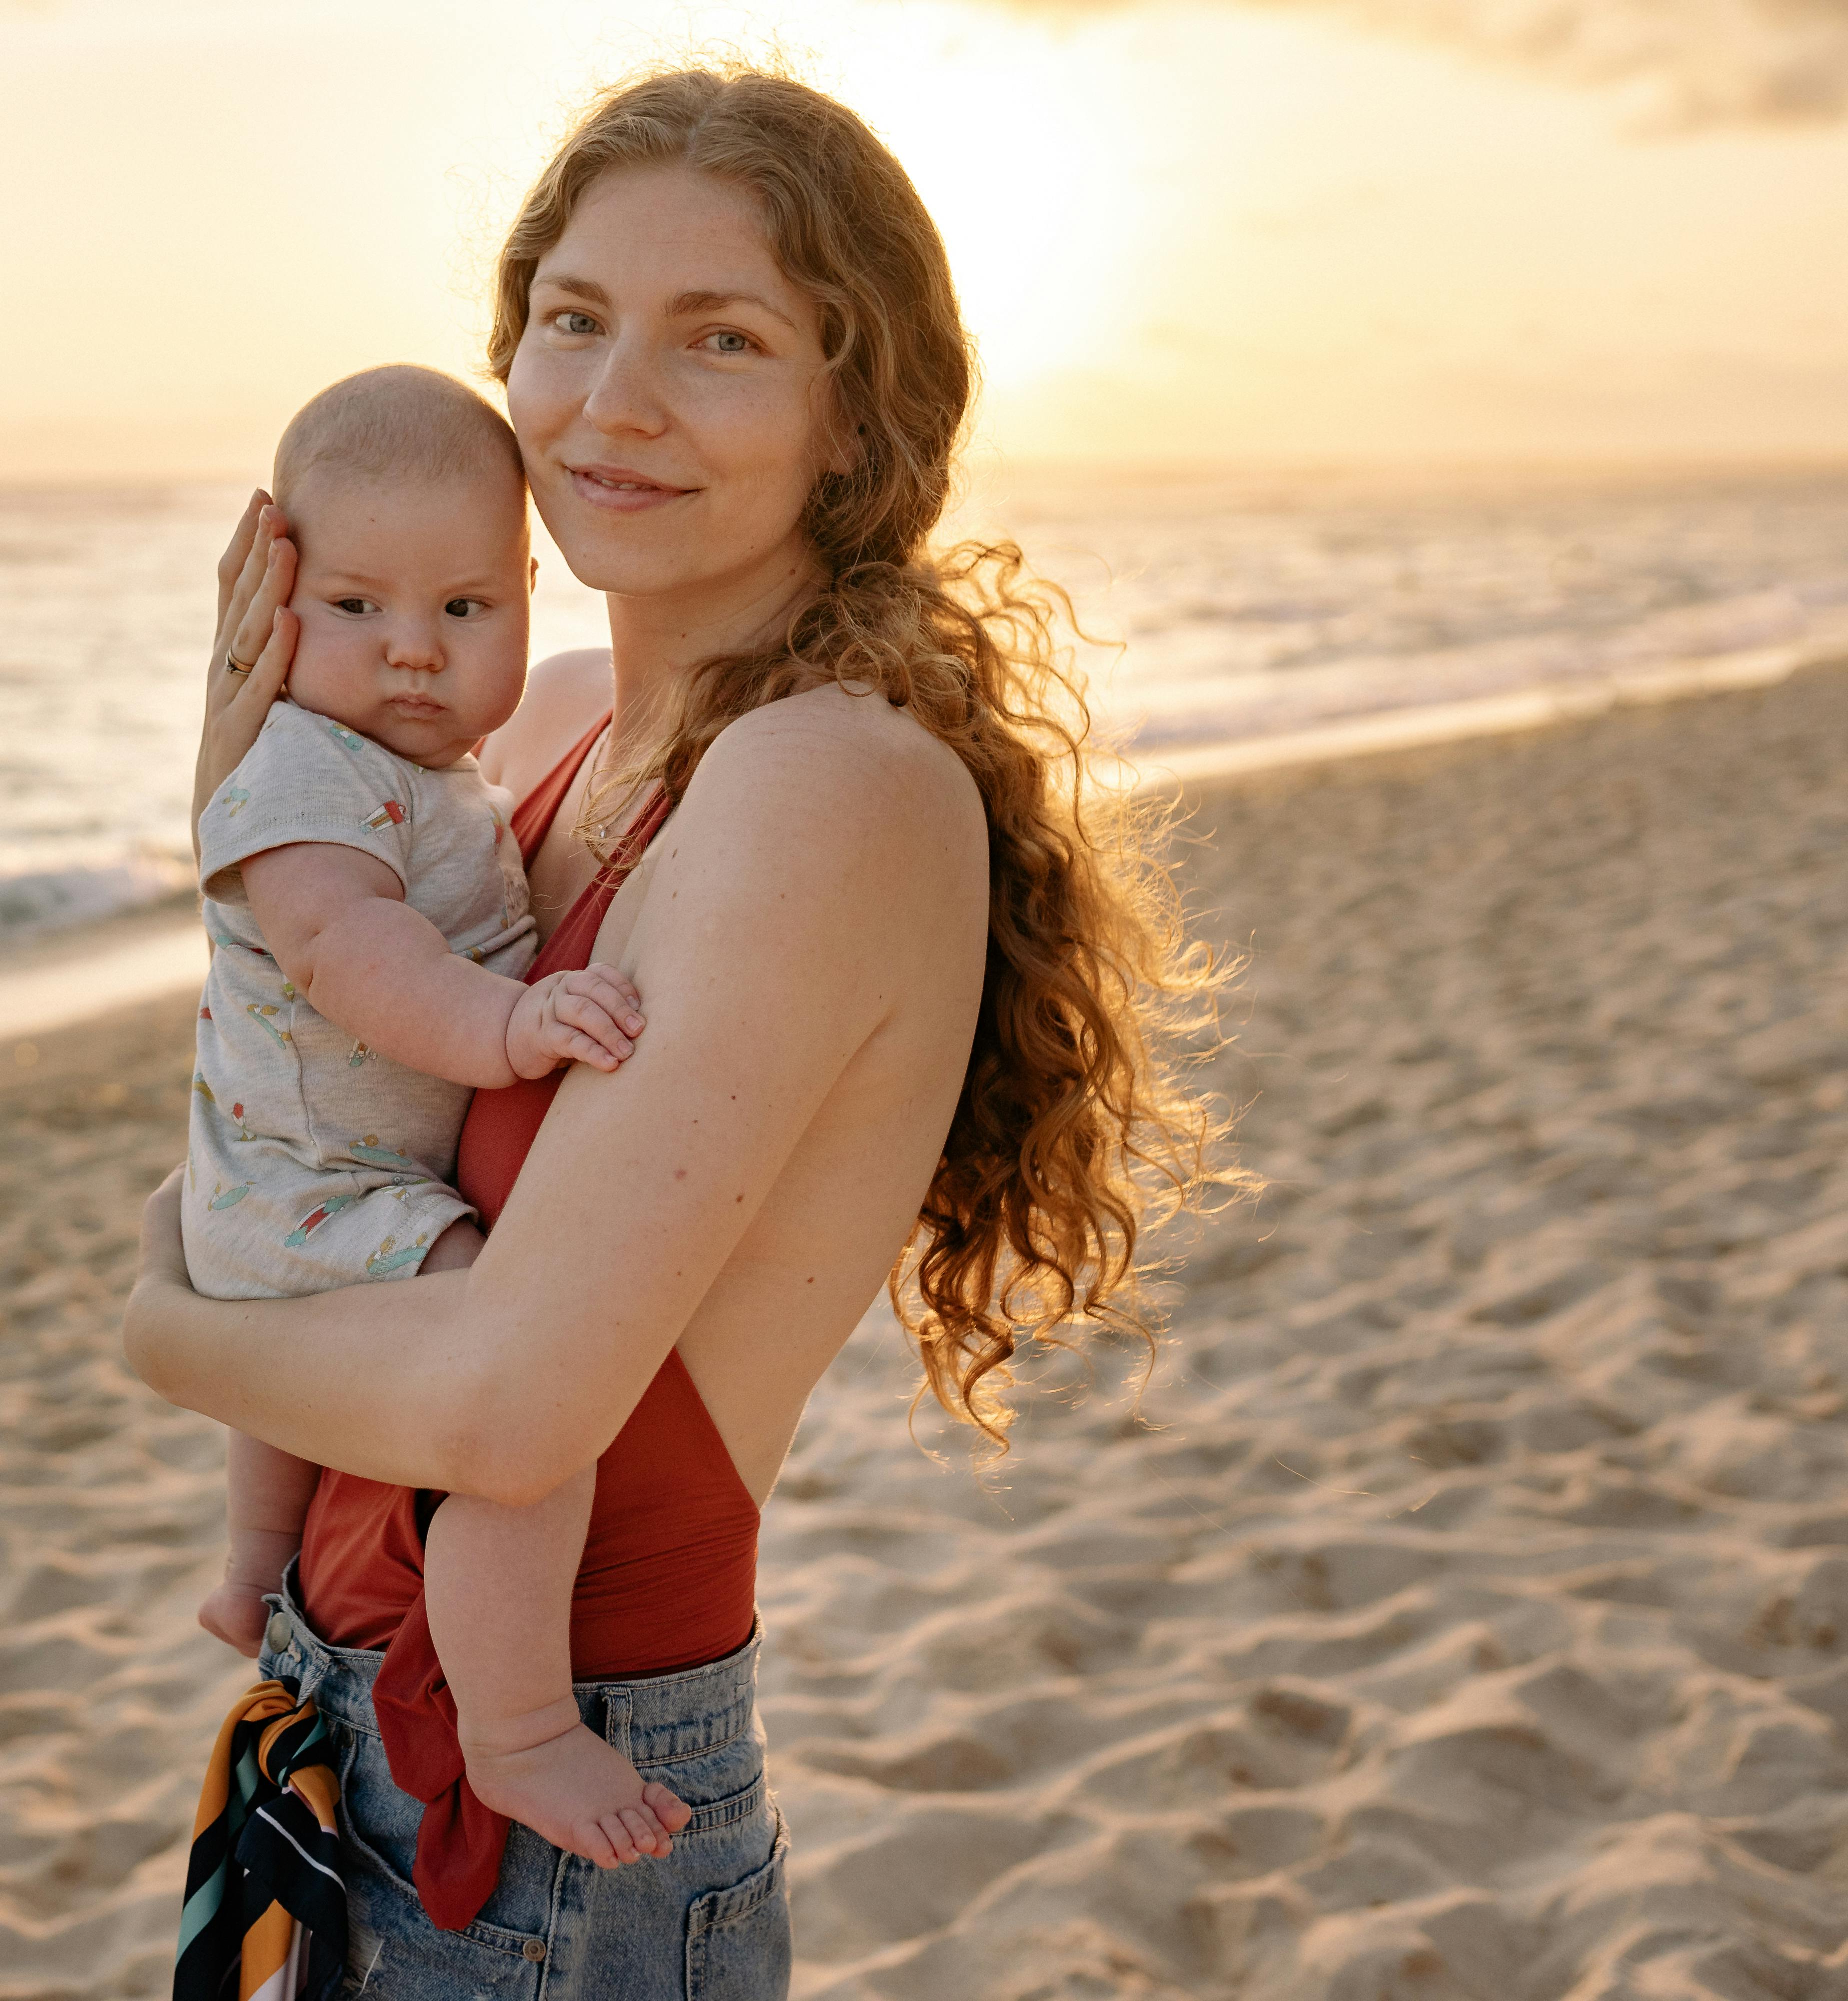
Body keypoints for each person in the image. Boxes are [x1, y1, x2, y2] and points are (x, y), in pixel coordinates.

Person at [130, 62, 1225, 1994]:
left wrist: (165, 1330)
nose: (611, 403)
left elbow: (514, 1406)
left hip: (564, 1819)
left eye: (719, 340)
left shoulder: (830, 788)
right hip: (345, 1726)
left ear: (857, 421)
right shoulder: (537, 724)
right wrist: (249, 796)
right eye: (573, 320)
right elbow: (309, 1115)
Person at [182, 361, 688, 1868]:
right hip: (314, 1192)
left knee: (306, 1397)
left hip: (296, 1187)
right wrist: (510, 1027)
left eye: (465, 612)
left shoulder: (435, 770)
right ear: (276, 608)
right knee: (523, 1404)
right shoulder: (299, 774)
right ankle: (518, 1727)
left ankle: (250, 1568)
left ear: (529, 599)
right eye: (355, 610)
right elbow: (354, 957)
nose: (412, 653)